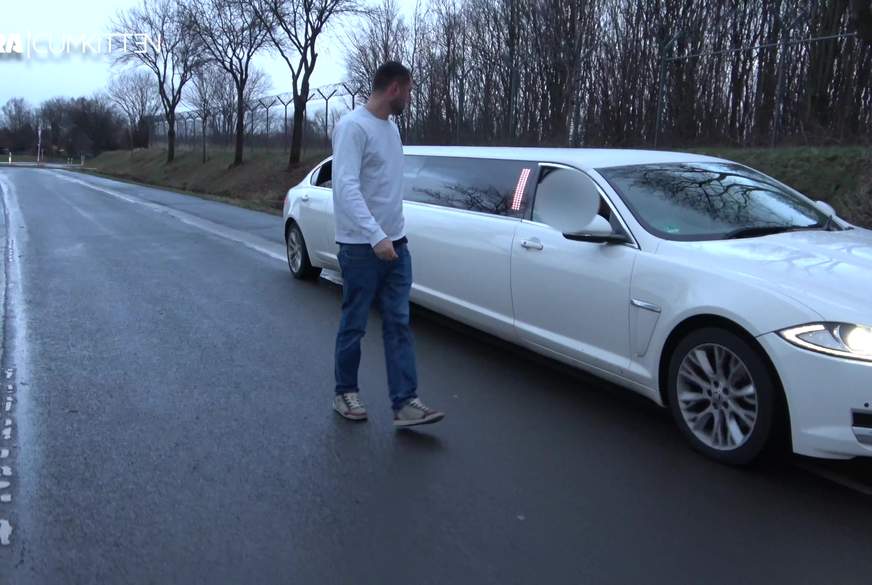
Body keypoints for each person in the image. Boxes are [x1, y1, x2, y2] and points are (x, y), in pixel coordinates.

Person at [330, 61, 444, 428]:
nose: (409, 97)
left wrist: (393, 234)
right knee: (355, 324)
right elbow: (345, 186)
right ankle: (345, 392)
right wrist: (375, 235)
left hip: (397, 245)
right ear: (394, 88)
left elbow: (386, 187)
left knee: (399, 323)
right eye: (408, 90)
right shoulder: (353, 127)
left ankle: (405, 402)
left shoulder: (392, 129)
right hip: (360, 247)